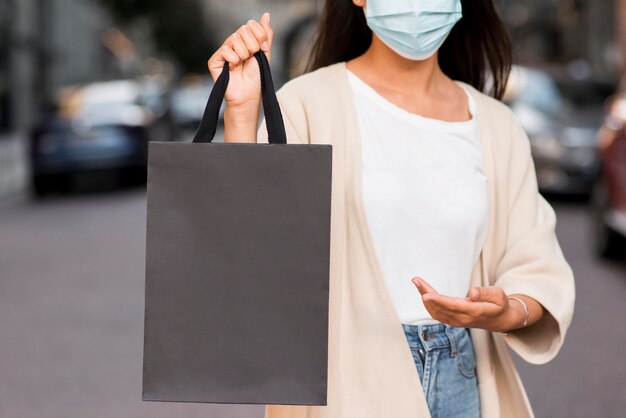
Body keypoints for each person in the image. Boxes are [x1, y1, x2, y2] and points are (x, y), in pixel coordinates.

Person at [206, 1, 576, 418]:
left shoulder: (496, 125)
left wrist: (508, 310)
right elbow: (247, 248)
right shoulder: (306, 104)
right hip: (343, 385)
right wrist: (239, 114)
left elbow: (536, 262)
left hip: (463, 376)